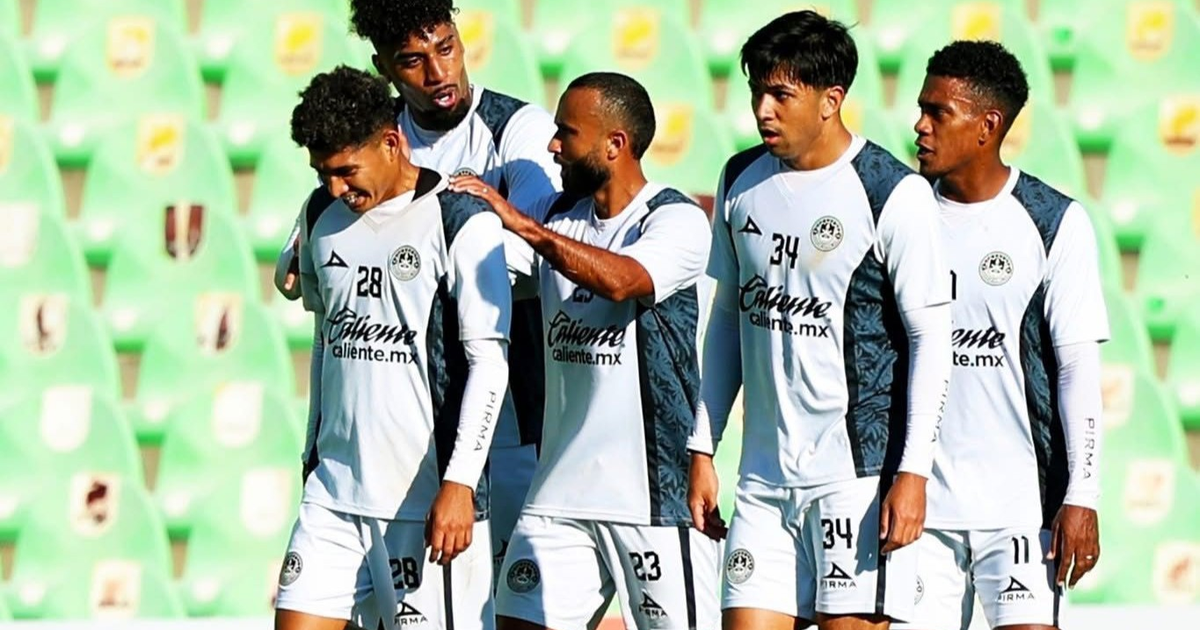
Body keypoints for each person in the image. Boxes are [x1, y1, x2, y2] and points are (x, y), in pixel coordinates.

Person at [273, 0, 561, 580]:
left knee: (514, 610)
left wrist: (434, 250)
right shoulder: (373, 139)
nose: (438, 73)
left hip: (515, 419)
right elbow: (295, 272)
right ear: (384, 67)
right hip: (408, 442)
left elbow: (533, 251)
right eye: (413, 60)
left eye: (446, 48)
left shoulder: (515, 128)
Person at [686, 11, 954, 630]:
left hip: (854, 483)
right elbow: (729, 316)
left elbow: (930, 340)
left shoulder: (891, 193)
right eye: (757, 91)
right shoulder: (740, 179)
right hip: (760, 483)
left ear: (831, 99)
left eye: (781, 94)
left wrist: (912, 472)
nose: (762, 110)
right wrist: (704, 444)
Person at [449, 72, 721, 630]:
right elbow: (484, 265)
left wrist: (523, 224)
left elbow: (623, 281)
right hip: (558, 493)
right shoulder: (557, 217)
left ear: (614, 145)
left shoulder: (675, 219)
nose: (553, 147)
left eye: (565, 134)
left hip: (652, 496)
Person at [274, 66, 511, 630]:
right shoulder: (319, 215)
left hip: (423, 501)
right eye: (322, 173)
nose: (335, 188)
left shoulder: (460, 219)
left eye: (345, 172)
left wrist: (459, 483)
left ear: (390, 142)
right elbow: (317, 320)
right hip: (333, 494)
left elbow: (489, 364)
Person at [896, 40, 1108, 630]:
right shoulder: (899, 215)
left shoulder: (1052, 221)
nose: (920, 125)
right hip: (919, 509)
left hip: (1020, 508)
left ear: (988, 126)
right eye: (921, 107)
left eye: (938, 112)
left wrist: (1082, 495)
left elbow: (1076, 369)